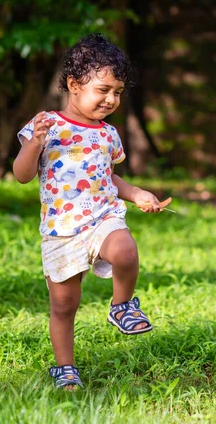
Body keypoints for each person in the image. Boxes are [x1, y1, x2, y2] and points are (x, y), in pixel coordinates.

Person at [13, 33, 164, 390]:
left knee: (126, 249)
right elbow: (21, 175)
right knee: (65, 306)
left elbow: (108, 175)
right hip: (62, 230)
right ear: (73, 84)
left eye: (118, 92)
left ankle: (122, 305)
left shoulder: (109, 134)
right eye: (104, 90)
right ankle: (65, 368)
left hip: (102, 218)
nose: (111, 99)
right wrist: (34, 142)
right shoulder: (47, 125)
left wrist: (137, 192)